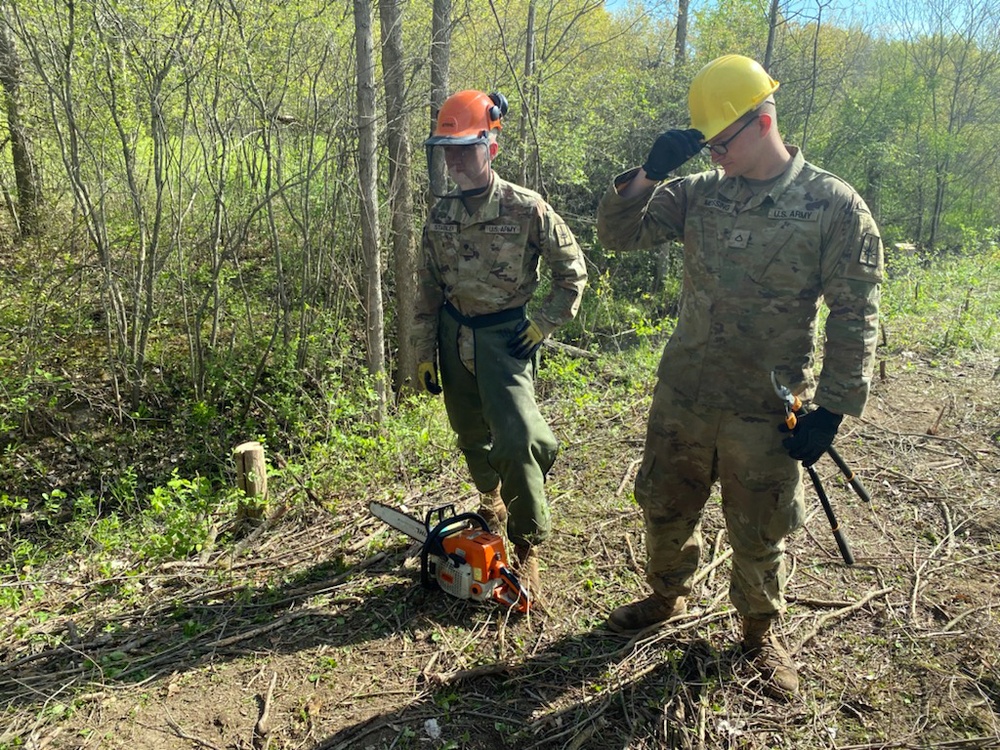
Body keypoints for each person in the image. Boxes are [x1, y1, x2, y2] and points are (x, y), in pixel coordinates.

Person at [596, 55, 883, 696]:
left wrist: (832, 410)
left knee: (760, 525)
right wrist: (648, 173)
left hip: (765, 404)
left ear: (765, 119)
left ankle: (758, 634)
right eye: (710, 145)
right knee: (665, 505)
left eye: (724, 141)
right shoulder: (697, 194)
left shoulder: (832, 205)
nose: (718, 155)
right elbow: (618, 236)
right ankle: (666, 597)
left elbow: (856, 313)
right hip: (686, 393)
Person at [413, 89, 588, 604]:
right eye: (447, 150)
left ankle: (527, 545)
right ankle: (491, 502)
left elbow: (572, 272)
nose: (454, 160)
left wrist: (545, 323)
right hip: (453, 332)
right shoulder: (440, 215)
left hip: (505, 336)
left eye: (464, 148)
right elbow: (425, 292)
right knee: (471, 433)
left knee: (517, 438)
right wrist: (424, 352)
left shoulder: (526, 208)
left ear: (491, 145)